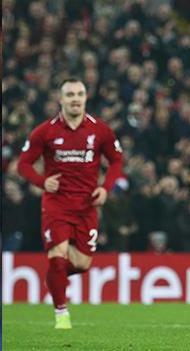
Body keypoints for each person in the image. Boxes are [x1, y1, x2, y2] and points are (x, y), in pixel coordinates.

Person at [17, 78, 125, 329]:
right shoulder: (45, 131)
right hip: (56, 204)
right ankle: (61, 314)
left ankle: (55, 279)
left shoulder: (100, 130)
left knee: (82, 264)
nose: (75, 98)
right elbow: (23, 164)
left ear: (86, 97)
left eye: (80, 93)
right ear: (60, 99)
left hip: (87, 206)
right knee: (57, 254)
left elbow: (116, 161)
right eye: (70, 94)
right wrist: (43, 182)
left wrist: (105, 188)